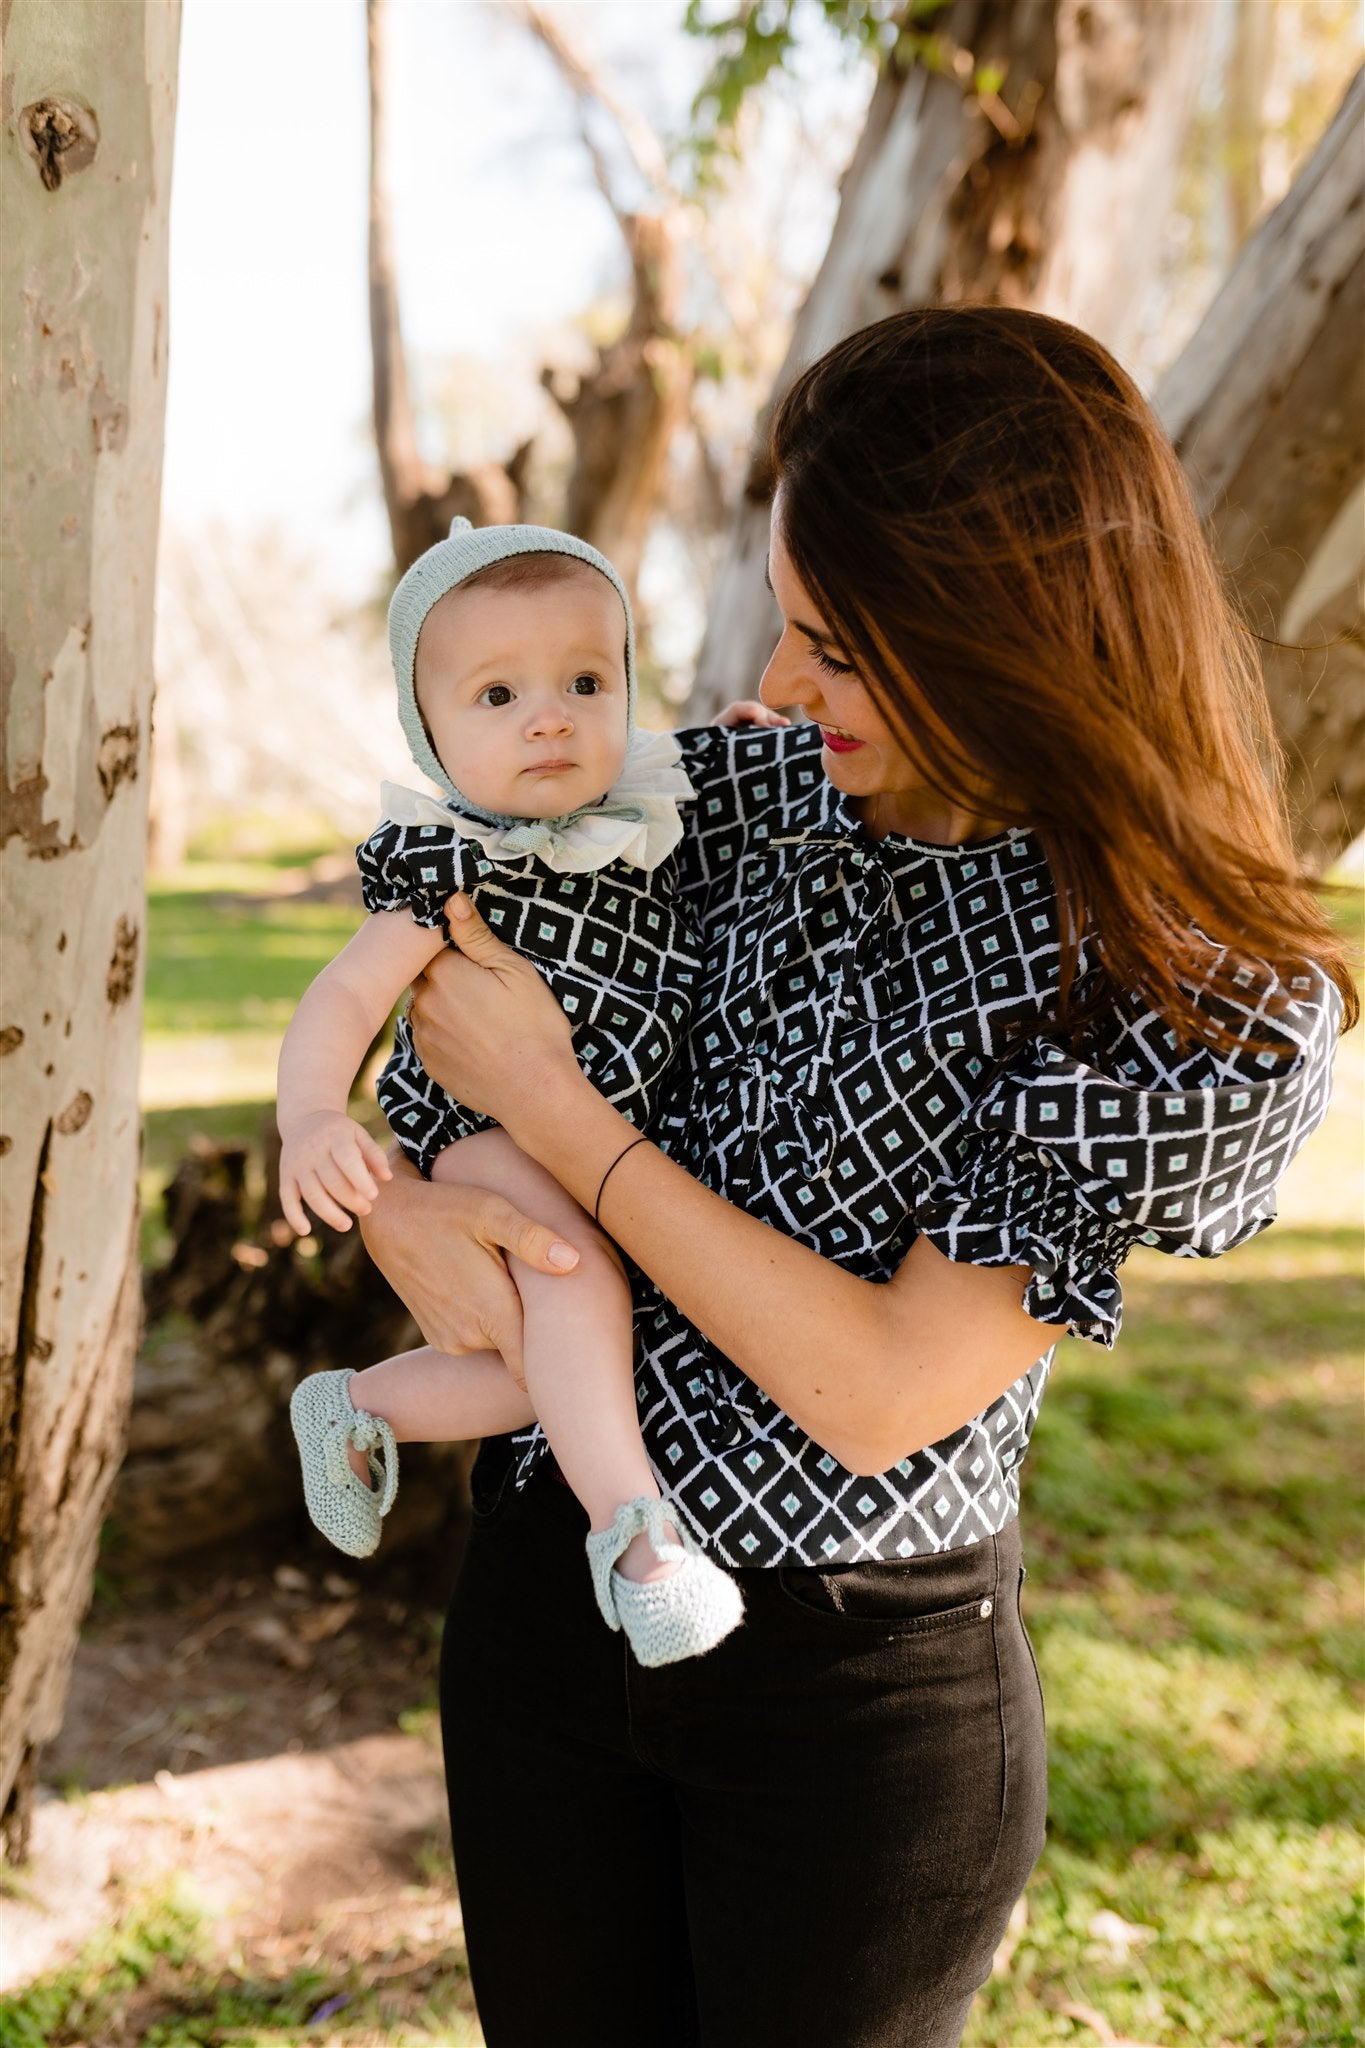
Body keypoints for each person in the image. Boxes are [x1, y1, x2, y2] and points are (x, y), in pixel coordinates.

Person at [358, 309, 1354, 2048]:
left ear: (1016, 635)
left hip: (853, 1701)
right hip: (549, 1599)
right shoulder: (752, 796)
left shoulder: (1177, 991)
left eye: (846, 643)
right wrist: (420, 1199)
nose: (786, 684)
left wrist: (573, 1129)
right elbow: (448, 956)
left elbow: (880, 1386)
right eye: (789, 621)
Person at [278, 518, 755, 1666]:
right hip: (489, 1132)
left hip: (593, 1137)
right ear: (429, 731)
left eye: (587, 681)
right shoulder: (450, 863)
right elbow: (341, 1002)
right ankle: (638, 1543)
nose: (551, 716)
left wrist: (745, 741)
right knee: (574, 1282)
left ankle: (361, 1405)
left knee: (555, 1361)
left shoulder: (647, 813)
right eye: (498, 695)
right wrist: (310, 1115)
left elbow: (726, 777)